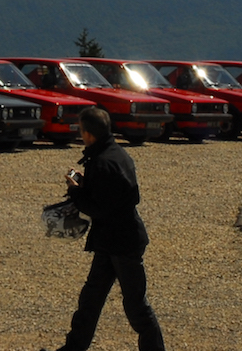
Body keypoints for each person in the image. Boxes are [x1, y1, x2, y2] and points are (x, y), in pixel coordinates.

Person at [47, 106, 166, 351]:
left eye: (81, 131)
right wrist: (86, 185)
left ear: (89, 134)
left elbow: (99, 208)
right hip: (113, 240)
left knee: (136, 307)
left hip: (122, 243)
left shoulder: (103, 161)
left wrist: (75, 192)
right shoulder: (116, 154)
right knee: (90, 300)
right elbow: (114, 196)